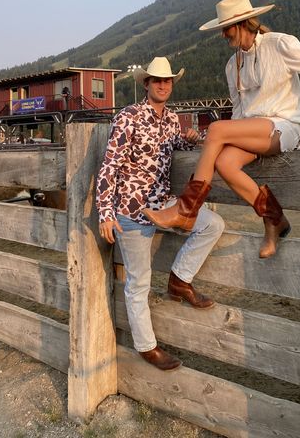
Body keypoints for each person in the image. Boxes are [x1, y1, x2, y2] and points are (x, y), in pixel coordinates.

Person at [144, 0, 300, 258]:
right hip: (252, 130)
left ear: (242, 23)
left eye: (226, 29)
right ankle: (274, 218)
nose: (223, 35)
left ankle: (186, 210)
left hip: (283, 125)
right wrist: (226, 139)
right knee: (224, 163)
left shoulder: (280, 43)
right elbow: (239, 111)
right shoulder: (231, 66)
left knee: (215, 129)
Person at [96, 56, 225, 371]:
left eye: (167, 81)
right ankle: (146, 347)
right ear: (146, 84)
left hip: (165, 203)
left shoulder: (171, 120)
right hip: (132, 210)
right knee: (139, 282)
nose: (163, 85)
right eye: (157, 80)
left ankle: (180, 279)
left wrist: (188, 139)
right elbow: (109, 166)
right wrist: (104, 213)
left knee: (212, 224)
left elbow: (170, 145)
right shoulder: (128, 117)